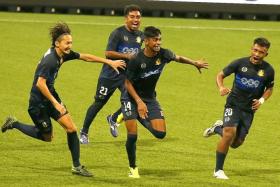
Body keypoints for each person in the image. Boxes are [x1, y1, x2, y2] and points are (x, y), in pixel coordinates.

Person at [1, 22, 126, 177]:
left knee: (71, 129)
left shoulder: (62, 54)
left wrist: (108, 61)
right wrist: (55, 103)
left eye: (71, 42)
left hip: (51, 96)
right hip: (38, 103)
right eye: (67, 43)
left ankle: (77, 166)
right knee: (47, 137)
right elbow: (40, 84)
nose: (70, 46)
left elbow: (84, 57)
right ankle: (15, 123)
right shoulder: (51, 60)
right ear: (57, 43)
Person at [122, 26, 208, 178]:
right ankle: (133, 168)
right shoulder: (136, 59)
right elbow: (127, 83)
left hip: (149, 98)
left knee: (160, 133)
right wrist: (139, 103)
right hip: (130, 97)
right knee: (133, 135)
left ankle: (136, 116)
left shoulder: (164, 54)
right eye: (155, 40)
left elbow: (178, 58)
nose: (158, 43)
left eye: (160, 39)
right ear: (146, 41)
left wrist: (194, 63)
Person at [203, 37, 274, 179]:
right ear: (251, 49)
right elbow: (220, 75)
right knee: (229, 134)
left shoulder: (268, 70)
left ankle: (217, 128)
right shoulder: (239, 63)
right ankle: (218, 170)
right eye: (255, 50)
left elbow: (270, 87)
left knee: (236, 143)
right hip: (233, 104)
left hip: (249, 110)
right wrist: (221, 87)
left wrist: (261, 100)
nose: (257, 54)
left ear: (266, 54)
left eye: (261, 52)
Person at [80, 4, 143, 143]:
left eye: (138, 17)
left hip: (126, 76)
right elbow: (108, 53)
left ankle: (114, 118)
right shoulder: (118, 33)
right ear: (126, 18)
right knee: (99, 103)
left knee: (133, 100)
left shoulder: (140, 36)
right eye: (132, 17)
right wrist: (126, 56)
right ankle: (84, 132)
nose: (135, 20)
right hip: (109, 74)